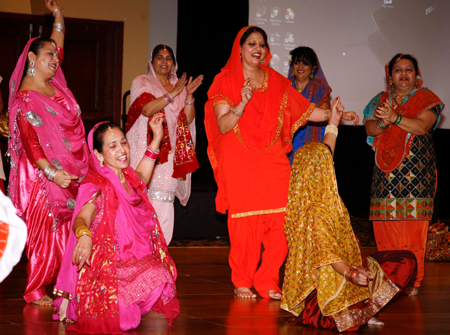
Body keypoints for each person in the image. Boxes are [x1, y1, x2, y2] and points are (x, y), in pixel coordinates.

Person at [204, 26, 357, 300]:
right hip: (239, 160)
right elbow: (224, 125)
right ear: (239, 49)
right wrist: (242, 102)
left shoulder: (276, 82)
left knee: (281, 223)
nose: (257, 48)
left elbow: (307, 109)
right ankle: (242, 280)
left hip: (273, 159)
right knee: (245, 225)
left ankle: (268, 279)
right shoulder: (224, 80)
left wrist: (334, 114)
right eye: (251, 43)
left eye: (262, 44)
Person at [281, 110, 417, 331]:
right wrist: (352, 274)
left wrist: (333, 122)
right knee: (404, 262)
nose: (331, 166)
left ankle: (364, 307)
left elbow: (326, 150)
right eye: (328, 164)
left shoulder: (313, 197)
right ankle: (359, 309)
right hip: (331, 286)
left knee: (401, 259)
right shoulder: (317, 210)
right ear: (320, 172)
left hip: (349, 270)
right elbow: (328, 255)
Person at [53, 116, 179, 333]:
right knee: (124, 321)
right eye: (113, 146)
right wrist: (84, 235)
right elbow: (84, 216)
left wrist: (156, 137)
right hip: (105, 268)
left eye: (123, 142)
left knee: (161, 275)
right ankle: (81, 302)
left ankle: (125, 299)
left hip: (129, 259)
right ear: (99, 155)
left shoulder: (127, 176)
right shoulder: (95, 184)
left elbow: (142, 175)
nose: (122, 150)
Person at [7, 0, 89, 305]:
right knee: (47, 228)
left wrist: (58, 16)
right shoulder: (26, 98)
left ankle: (66, 282)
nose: (56, 59)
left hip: (70, 165)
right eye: (49, 55)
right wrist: (52, 172)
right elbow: (30, 141)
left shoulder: (52, 81)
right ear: (32, 58)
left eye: (56, 55)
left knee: (71, 226)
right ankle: (35, 288)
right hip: (41, 174)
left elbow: (59, 46)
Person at [363, 54, 444, 296]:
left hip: (416, 173)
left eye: (409, 69)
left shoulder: (426, 99)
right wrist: (385, 121)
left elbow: (421, 126)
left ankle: (412, 279)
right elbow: (369, 127)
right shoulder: (380, 100)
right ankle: (389, 275)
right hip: (385, 173)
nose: (404, 74)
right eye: (398, 70)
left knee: (411, 227)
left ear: (417, 74)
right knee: (385, 224)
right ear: (390, 76)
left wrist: (394, 117)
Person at [126, 44, 203, 245]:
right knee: (142, 201)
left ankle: (160, 252)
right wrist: (173, 93)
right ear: (152, 62)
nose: (164, 61)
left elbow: (186, 120)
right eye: (159, 57)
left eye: (168, 58)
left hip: (169, 157)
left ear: (174, 64)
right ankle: (139, 253)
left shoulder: (179, 85)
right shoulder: (142, 82)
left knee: (164, 201)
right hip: (145, 152)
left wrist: (188, 95)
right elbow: (146, 109)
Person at [287, 46, 332, 164]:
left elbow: (324, 117)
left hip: (312, 146)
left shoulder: (321, 88)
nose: (300, 67)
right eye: (297, 63)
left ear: (313, 69)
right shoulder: (284, 88)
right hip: (287, 147)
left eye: (305, 63)